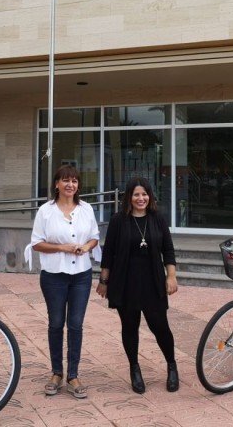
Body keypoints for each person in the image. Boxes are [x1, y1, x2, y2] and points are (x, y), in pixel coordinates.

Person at [96, 177, 179, 394]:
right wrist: (104, 281)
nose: (140, 198)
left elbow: (168, 250)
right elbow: (108, 253)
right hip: (125, 283)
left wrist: (171, 276)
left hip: (153, 282)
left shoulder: (158, 219)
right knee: (130, 327)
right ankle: (134, 368)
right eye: (136, 194)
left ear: (149, 196)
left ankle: (172, 366)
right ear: (129, 197)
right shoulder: (118, 220)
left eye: (144, 194)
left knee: (160, 326)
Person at [27, 165, 100, 399]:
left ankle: (73, 374)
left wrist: (86, 247)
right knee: (56, 323)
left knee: (76, 324)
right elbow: (36, 243)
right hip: (54, 276)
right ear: (56, 184)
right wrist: (63, 247)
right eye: (66, 181)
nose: (71, 185)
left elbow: (94, 238)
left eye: (75, 181)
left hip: (81, 275)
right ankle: (57, 372)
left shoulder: (86, 209)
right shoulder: (45, 211)